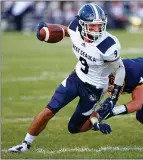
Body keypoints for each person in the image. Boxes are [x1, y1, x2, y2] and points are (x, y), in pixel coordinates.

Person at [8, 3, 125, 153]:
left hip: (95, 89)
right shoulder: (76, 27)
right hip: (76, 78)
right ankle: (25, 144)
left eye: (99, 26)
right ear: (82, 25)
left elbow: (120, 69)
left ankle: (100, 115)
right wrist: (48, 29)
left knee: (74, 128)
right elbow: (65, 30)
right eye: (92, 26)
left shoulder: (108, 46)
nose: (97, 30)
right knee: (49, 111)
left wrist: (113, 96)